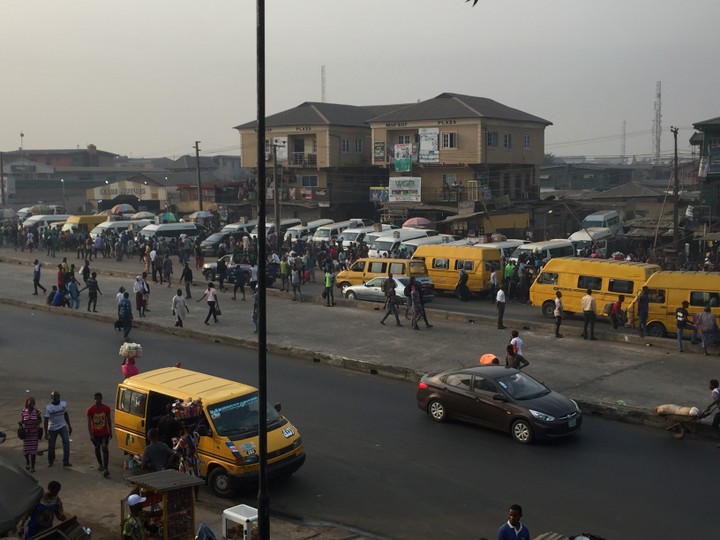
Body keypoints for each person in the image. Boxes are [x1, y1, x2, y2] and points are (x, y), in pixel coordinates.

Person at [43, 391, 72, 468]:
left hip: (62, 426)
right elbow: (46, 420)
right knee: (51, 446)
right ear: (52, 398)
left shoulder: (63, 404)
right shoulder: (48, 407)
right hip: (52, 428)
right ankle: (50, 461)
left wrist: (69, 426)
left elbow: (66, 415)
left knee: (66, 442)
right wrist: (46, 432)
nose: (56, 398)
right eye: (54, 397)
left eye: (57, 396)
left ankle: (66, 461)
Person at [86, 392, 112, 477]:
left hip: (104, 433)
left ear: (101, 399)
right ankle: (100, 464)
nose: (97, 400)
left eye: (98, 398)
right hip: (95, 433)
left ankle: (106, 468)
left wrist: (110, 431)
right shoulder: (90, 410)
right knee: (97, 448)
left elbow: (109, 420)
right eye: (95, 399)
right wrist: (91, 435)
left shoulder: (106, 408)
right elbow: (89, 423)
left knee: (104, 448)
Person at [19, 396, 42, 472]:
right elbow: (22, 421)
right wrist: (21, 423)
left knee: (33, 451)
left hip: (34, 434)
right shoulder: (23, 412)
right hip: (26, 434)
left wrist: (37, 422)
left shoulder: (37, 411)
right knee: (26, 451)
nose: (32, 404)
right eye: (30, 402)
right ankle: (27, 462)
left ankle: (32, 466)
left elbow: (40, 420)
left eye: (33, 402)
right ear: (27, 403)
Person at [703, 379, 720, 446]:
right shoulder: (718, 389)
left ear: (713, 386)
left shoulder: (714, 392)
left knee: (715, 425)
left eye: (710, 384)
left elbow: (717, 399)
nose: (709, 386)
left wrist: (709, 406)